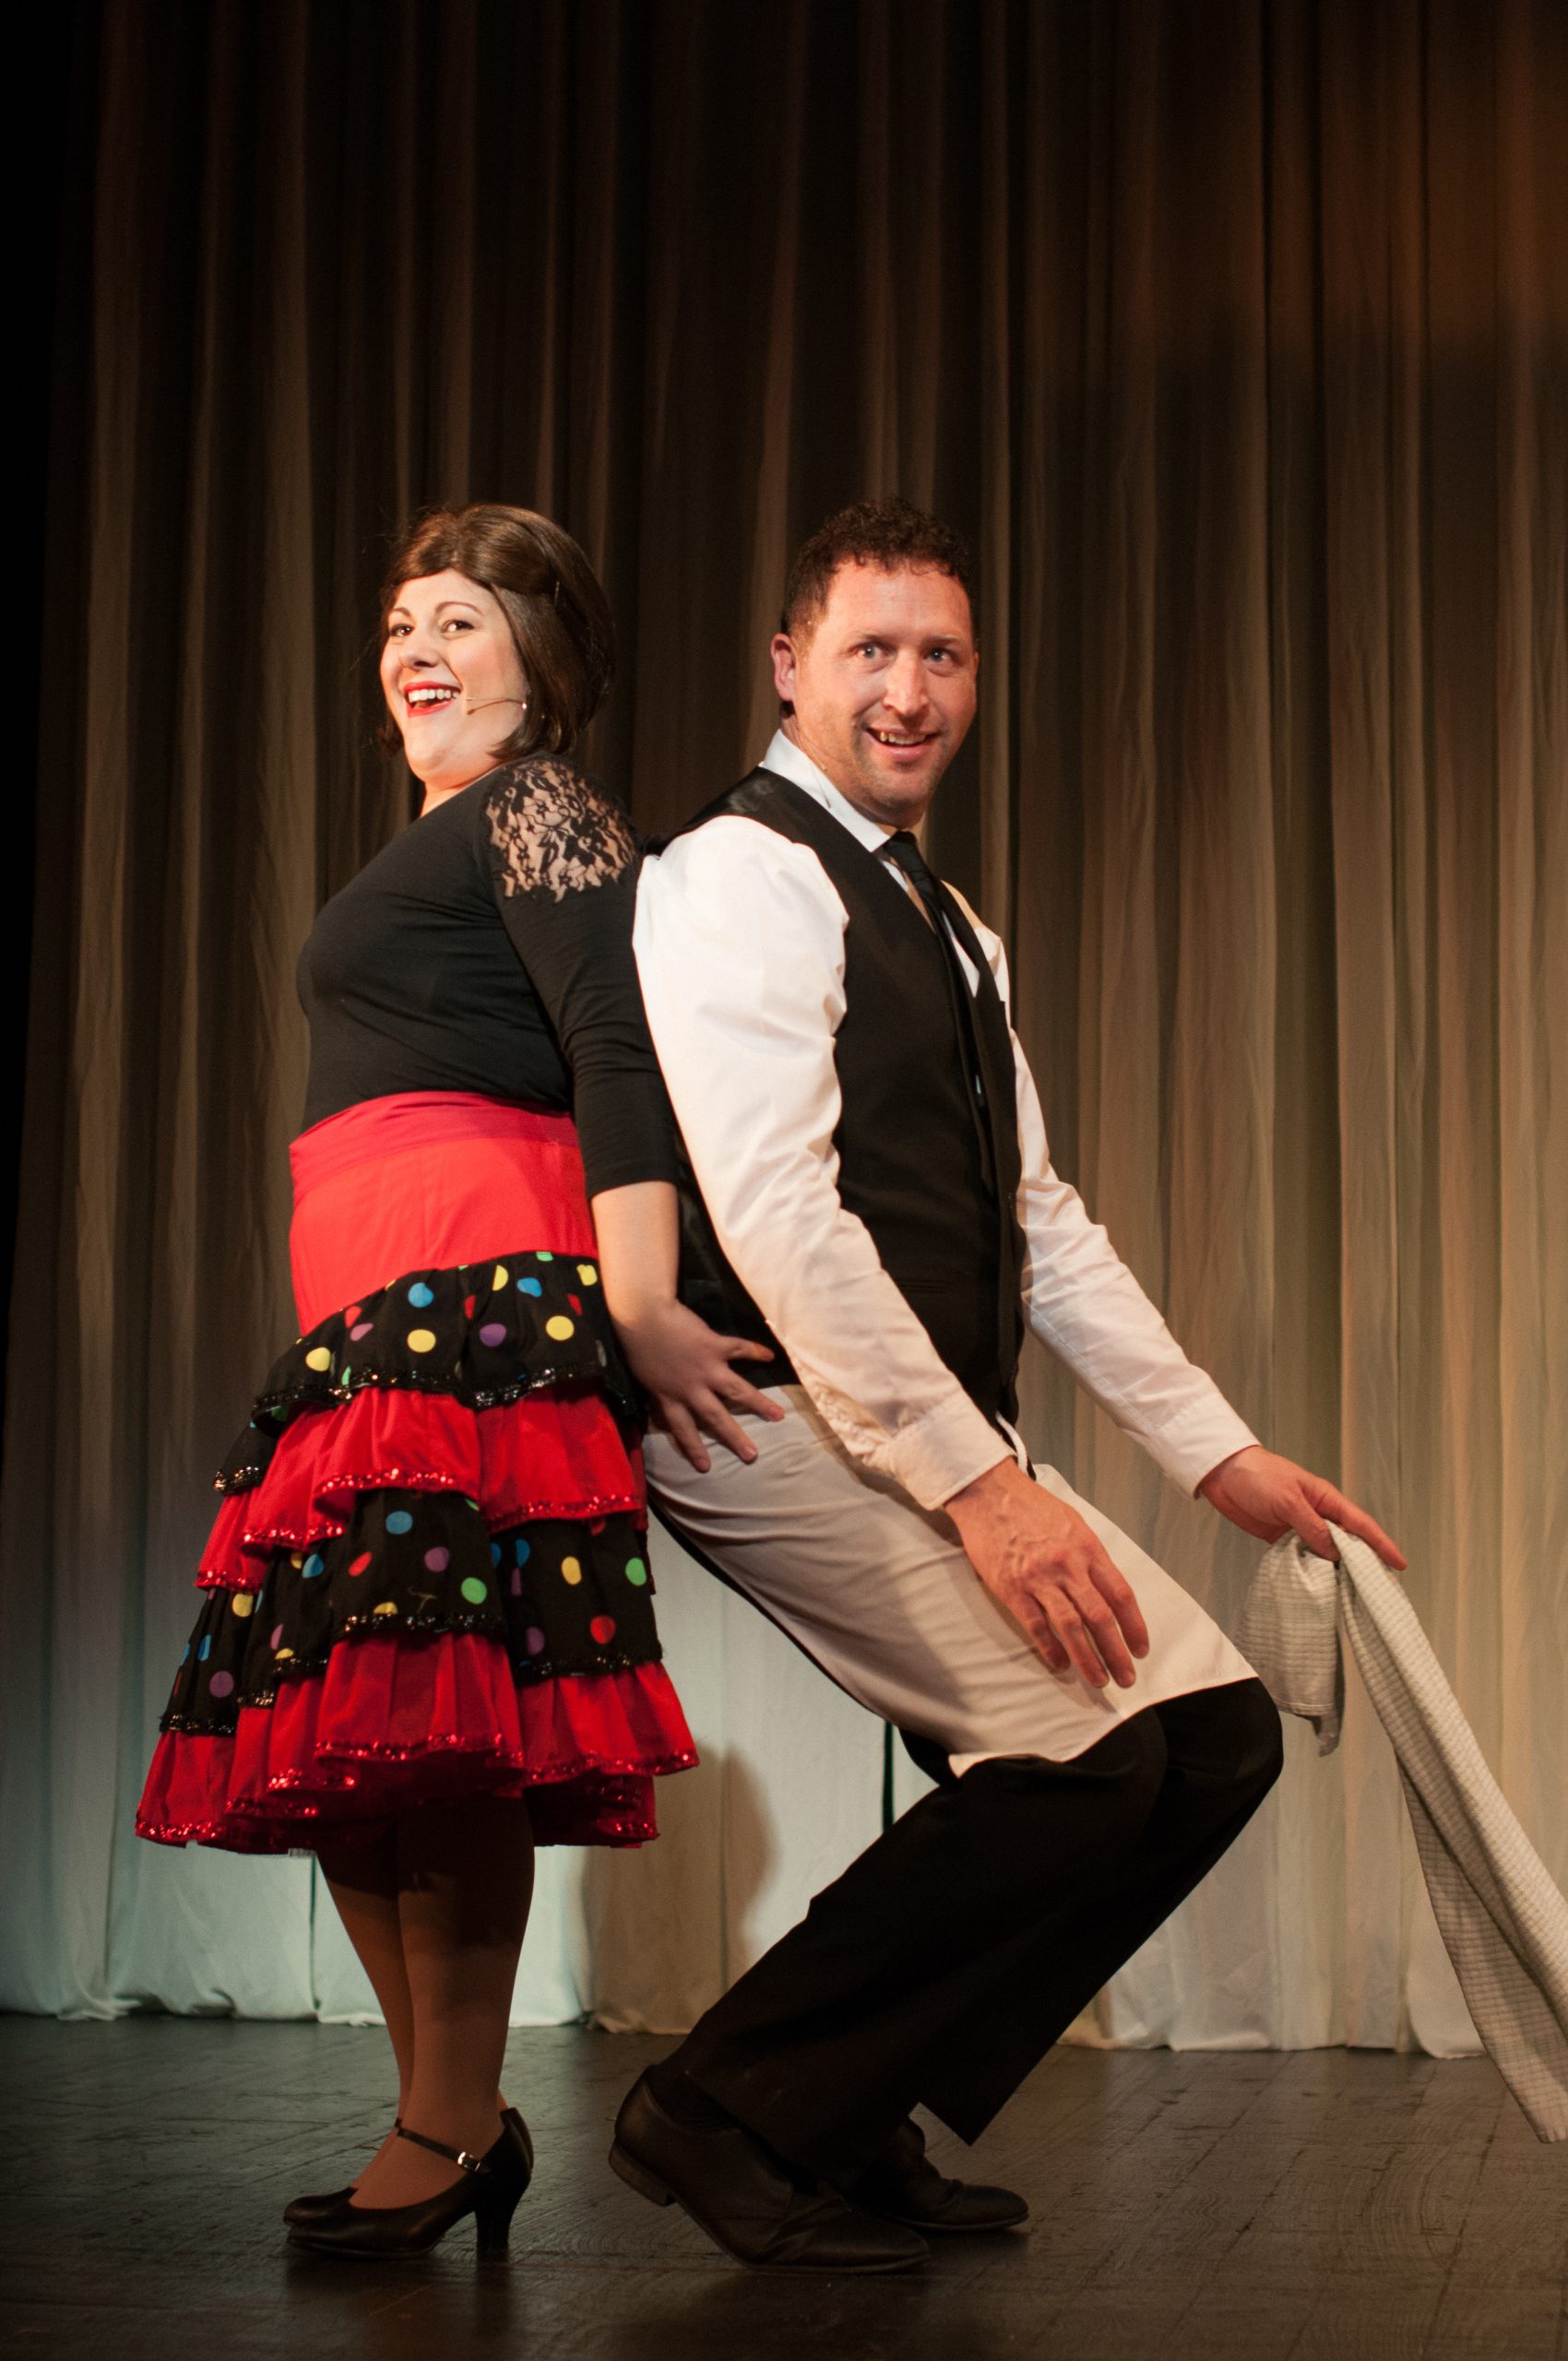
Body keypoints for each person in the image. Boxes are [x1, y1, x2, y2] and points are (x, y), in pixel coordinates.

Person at [621, 495, 1408, 2274]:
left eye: (943, 656)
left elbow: (1040, 1223)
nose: (909, 692)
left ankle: (846, 2110)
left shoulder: (955, 924)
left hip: (921, 1428)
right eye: (871, 651)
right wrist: (987, 1492)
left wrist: (1220, 1458)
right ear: (790, 667)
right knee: (1078, 1763)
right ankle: (726, 2108)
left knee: (1209, 1743)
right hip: (766, 1413)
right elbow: (778, 1212)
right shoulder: (738, 874)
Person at [136, 503, 778, 2260]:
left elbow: (615, 1047)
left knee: (436, 1726)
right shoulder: (439, 835)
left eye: (462, 622)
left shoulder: (541, 802)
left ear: (538, 659)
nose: (415, 649)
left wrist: (639, 1298)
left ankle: (442, 2121)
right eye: (402, 623)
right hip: (368, 1308)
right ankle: (455, 2117)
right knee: (346, 1727)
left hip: (473, 1289)